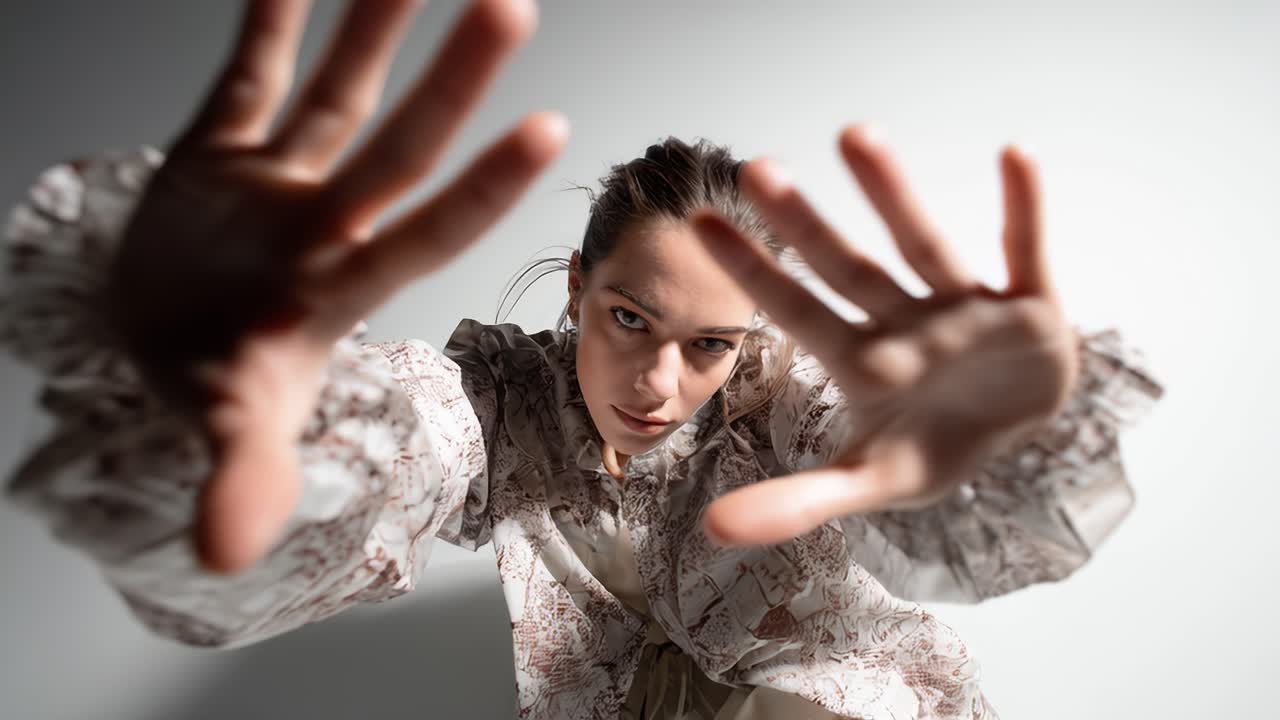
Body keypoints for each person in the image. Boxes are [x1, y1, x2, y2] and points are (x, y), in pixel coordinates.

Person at [0, 1, 1164, 718]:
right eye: (629, 321)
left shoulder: (784, 405)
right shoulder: (499, 405)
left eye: (708, 345)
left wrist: (1003, 449)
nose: (658, 385)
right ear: (576, 288)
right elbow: (409, 438)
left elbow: (876, 451)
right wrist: (255, 422)